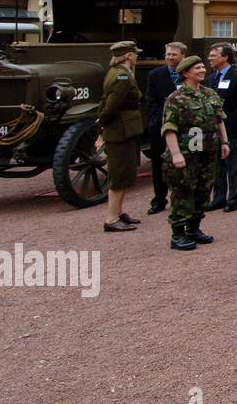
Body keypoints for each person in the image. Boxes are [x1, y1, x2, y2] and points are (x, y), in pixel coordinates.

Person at [161, 55, 230, 251]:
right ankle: (178, 233)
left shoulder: (209, 94)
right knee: (183, 193)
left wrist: (224, 141)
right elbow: (169, 128)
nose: (202, 70)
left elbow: (219, 119)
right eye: (197, 68)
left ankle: (193, 228)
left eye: (202, 67)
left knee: (203, 191)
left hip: (208, 153)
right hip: (186, 153)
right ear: (185, 73)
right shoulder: (175, 98)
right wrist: (176, 154)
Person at [97, 40, 145, 233]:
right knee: (118, 174)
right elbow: (112, 104)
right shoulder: (122, 76)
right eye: (135, 54)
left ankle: (118, 212)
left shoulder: (118, 73)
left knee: (124, 172)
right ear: (128, 56)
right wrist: (102, 121)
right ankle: (111, 217)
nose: (136, 57)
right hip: (120, 130)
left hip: (123, 128)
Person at [205, 43, 237, 213]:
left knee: (232, 166)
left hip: (230, 128)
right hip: (214, 129)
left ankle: (233, 199)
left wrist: (228, 121)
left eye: (213, 55)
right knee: (217, 166)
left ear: (225, 57)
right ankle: (218, 198)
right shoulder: (210, 79)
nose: (209, 58)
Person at [144, 41, 186, 214]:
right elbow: (150, 100)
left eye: (174, 54)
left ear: (183, 56)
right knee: (158, 164)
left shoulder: (189, 73)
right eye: (168, 54)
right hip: (160, 127)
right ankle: (159, 199)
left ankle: (183, 199)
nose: (170, 58)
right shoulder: (155, 75)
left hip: (185, 128)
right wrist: (164, 117)